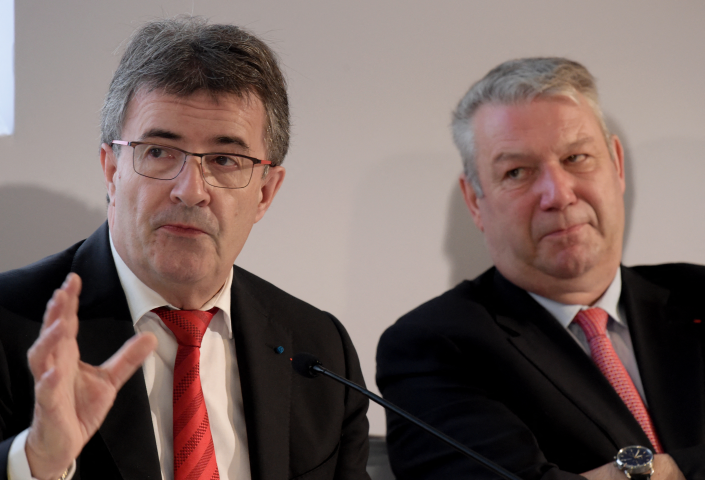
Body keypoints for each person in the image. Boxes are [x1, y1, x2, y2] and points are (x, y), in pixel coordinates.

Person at [0, 17, 370, 480]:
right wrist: (36, 463)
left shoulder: (319, 350)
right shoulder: (10, 326)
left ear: (265, 193)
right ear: (112, 169)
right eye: (158, 151)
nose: (190, 190)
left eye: (225, 159)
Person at [376, 57, 705, 480]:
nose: (558, 194)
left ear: (617, 166)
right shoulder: (434, 345)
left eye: (576, 157)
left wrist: (669, 470)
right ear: (475, 200)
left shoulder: (697, 293)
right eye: (517, 171)